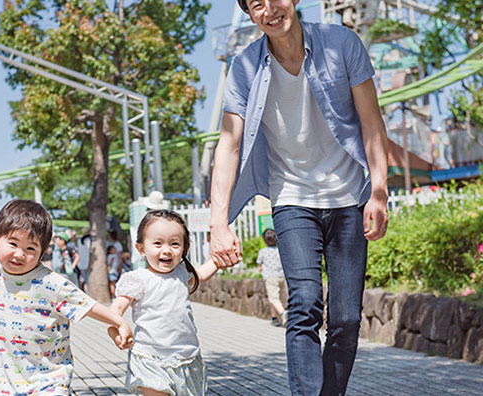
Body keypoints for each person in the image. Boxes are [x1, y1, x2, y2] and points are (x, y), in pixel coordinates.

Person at [209, 2, 389, 395]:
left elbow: (372, 121)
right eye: (256, 3)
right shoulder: (244, 68)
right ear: (250, 13)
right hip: (292, 198)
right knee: (305, 303)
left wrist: (379, 190)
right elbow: (228, 145)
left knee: (346, 319)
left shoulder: (341, 44)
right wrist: (218, 223)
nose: (269, 9)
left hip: (348, 197)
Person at [0, 199, 133, 395]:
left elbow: (87, 306)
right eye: (13, 243)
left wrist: (118, 321)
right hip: (5, 383)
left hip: (50, 380)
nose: (19, 254)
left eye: (30, 248)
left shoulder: (51, 283)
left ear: (43, 251)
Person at [108, 210, 219, 396]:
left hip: (187, 357)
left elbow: (199, 275)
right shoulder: (137, 279)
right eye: (158, 243)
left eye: (175, 244)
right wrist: (116, 329)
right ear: (141, 248)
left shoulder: (182, 273)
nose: (166, 250)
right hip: (150, 358)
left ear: (184, 249)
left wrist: (218, 261)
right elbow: (116, 308)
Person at [256, 228, 286, 327]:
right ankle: (274, 318)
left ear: (264, 240)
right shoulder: (280, 250)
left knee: (273, 298)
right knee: (277, 298)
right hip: (282, 276)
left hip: (271, 277)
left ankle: (283, 314)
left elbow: (259, 267)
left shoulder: (262, 252)